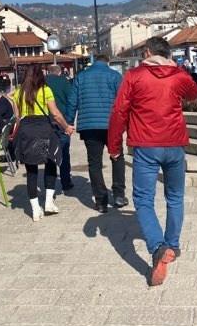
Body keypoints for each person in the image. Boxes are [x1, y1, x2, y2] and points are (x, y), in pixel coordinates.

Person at [108, 36, 197, 286]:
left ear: (147, 52)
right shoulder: (177, 76)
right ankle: (172, 244)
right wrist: (178, 69)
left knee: (143, 200)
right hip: (174, 145)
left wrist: (114, 145)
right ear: (167, 54)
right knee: (175, 197)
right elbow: (195, 93)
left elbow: (119, 111)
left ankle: (157, 246)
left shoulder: (134, 76)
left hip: (146, 146)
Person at [12, 64, 75, 221]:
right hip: (43, 130)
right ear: (41, 75)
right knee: (51, 162)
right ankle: (48, 202)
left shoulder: (18, 93)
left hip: (26, 131)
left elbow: (17, 117)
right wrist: (66, 127)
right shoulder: (45, 90)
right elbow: (55, 113)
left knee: (31, 170)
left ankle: (35, 210)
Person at [65, 54, 125, 212]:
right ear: (108, 62)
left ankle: (101, 201)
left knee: (94, 163)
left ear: (93, 62)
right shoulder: (115, 76)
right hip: (112, 125)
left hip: (89, 125)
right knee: (117, 157)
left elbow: (72, 101)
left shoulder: (81, 77)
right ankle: (118, 195)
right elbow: (123, 101)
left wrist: (69, 122)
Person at [45, 64, 74, 192]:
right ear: (59, 72)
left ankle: (49, 184)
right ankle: (66, 182)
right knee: (64, 152)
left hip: (46, 122)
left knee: (49, 153)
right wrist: (69, 121)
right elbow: (71, 100)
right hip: (62, 122)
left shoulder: (42, 83)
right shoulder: (64, 82)